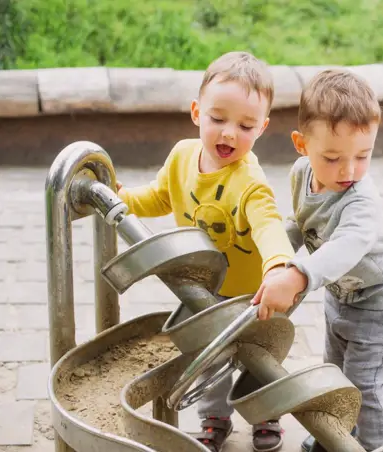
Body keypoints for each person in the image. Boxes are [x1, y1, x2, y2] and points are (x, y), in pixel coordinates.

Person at [117, 51, 292, 452]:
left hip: (253, 296)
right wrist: (124, 198)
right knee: (208, 358)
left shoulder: (250, 182)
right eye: (218, 119)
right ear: (197, 112)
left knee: (256, 357)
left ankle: (267, 413)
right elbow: (160, 196)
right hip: (203, 290)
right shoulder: (181, 156)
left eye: (245, 125)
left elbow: (267, 224)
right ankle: (214, 417)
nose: (230, 133)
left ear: (262, 127)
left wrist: (279, 267)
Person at [251, 68, 383, 452]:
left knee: (364, 386)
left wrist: (297, 276)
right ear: (301, 144)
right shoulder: (301, 174)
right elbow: (301, 224)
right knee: (334, 374)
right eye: (333, 157)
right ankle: (334, 437)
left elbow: (346, 246)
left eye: (363, 155)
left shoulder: (362, 201)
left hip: (379, 301)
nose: (349, 170)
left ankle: (367, 446)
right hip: (339, 294)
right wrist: (275, 258)